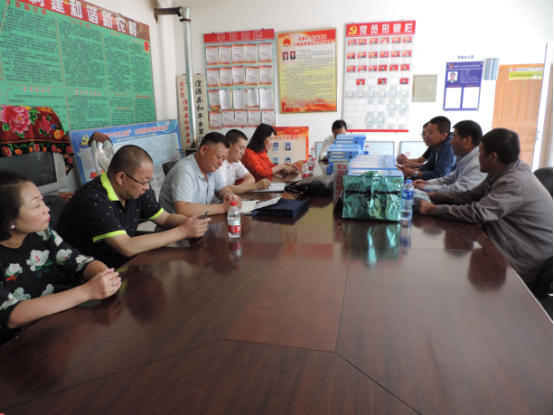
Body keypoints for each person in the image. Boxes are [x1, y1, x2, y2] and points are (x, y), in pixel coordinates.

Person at [415, 128, 553, 284]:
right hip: (510, 247)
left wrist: (433, 209)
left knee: (451, 274)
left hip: (525, 260)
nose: (477, 157)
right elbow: (469, 196)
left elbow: (478, 213)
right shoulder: (503, 171)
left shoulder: (514, 182)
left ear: (493, 157)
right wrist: (432, 196)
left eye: (480, 152)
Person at [0, 171, 121, 343]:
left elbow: (80, 262)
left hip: (45, 329)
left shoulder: (43, 234)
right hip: (10, 346)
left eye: (42, 200)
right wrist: (86, 291)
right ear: (8, 219)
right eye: (37, 205)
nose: (47, 209)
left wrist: (104, 276)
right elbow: (10, 315)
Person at [58, 145, 210, 269]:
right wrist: (183, 231)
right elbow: (127, 246)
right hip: (90, 276)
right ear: (121, 177)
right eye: (144, 181)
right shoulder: (92, 199)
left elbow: (165, 218)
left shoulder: (135, 191)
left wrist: (191, 222)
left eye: (149, 181)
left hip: (122, 266)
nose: (147, 187)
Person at [158, 132, 242, 217]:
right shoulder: (184, 171)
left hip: (200, 221)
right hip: (176, 224)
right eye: (218, 157)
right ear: (204, 150)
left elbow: (222, 188)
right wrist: (223, 208)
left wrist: (227, 194)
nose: (220, 163)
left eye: (223, 159)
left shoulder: (211, 167)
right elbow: (182, 209)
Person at [413, 120, 487, 193]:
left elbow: (457, 191)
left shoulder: (478, 164)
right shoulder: (466, 159)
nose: (451, 142)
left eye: (454, 137)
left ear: (467, 140)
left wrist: (426, 187)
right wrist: (428, 183)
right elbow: (449, 178)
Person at [400, 116, 455, 180]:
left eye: (430, 132)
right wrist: (410, 170)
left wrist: (413, 173)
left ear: (443, 135)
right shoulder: (436, 144)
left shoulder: (449, 146)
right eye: (426, 132)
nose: (425, 136)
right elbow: (429, 166)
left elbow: (440, 175)